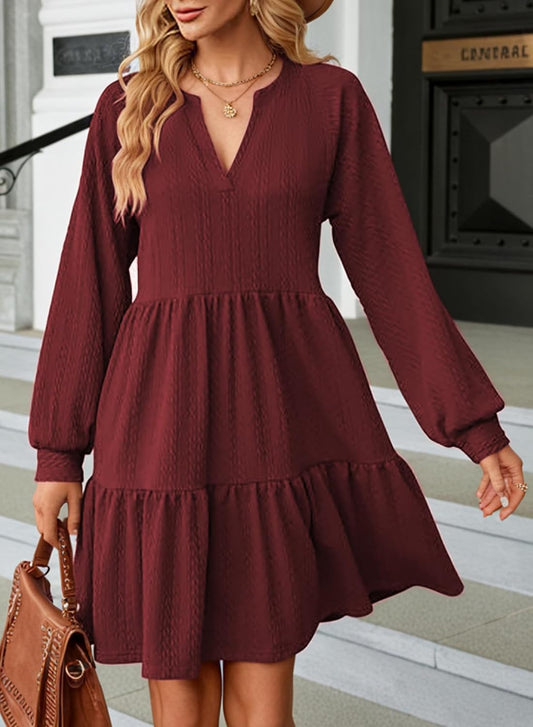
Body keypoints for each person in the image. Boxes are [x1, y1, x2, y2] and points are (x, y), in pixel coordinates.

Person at [28, 1, 527, 725]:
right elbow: (89, 282)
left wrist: (474, 426)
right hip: (161, 419)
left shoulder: (329, 100)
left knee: (264, 707)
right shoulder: (129, 105)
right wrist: (58, 452)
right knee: (179, 704)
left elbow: (389, 270)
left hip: (278, 422)